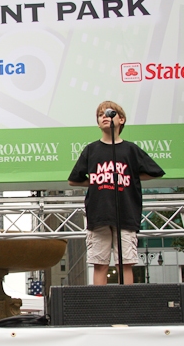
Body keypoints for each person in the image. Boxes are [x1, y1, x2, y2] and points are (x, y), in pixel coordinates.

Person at [68, 101, 164, 285]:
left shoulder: (130, 149)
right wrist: (97, 179)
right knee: (100, 263)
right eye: (100, 114)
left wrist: (130, 176)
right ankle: (100, 306)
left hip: (126, 212)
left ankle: (127, 306)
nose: (105, 116)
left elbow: (155, 171)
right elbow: (74, 179)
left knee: (125, 263)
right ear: (97, 123)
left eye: (110, 113)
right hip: (99, 213)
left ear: (121, 119)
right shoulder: (91, 149)